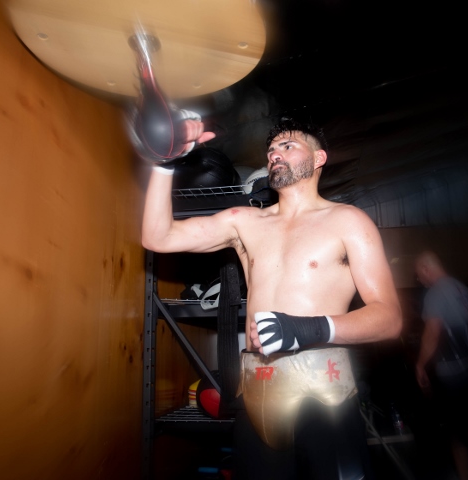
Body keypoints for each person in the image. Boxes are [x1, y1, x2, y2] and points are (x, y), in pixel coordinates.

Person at [140, 117, 403, 479]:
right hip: (260, 394)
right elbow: (159, 237)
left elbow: (389, 318)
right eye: (271, 149)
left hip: (327, 397)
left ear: (319, 158)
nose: (274, 154)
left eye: (288, 146)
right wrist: (164, 163)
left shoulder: (349, 221)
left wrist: (307, 328)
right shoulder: (244, 222)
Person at [414, 251, 468, 480]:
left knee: (455, 433)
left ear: (427, 268)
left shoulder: (436, 293)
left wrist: (420, 364)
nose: (419, 280)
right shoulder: (462, 289)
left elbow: (433, 332)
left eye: (419, 275)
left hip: (453, 373)